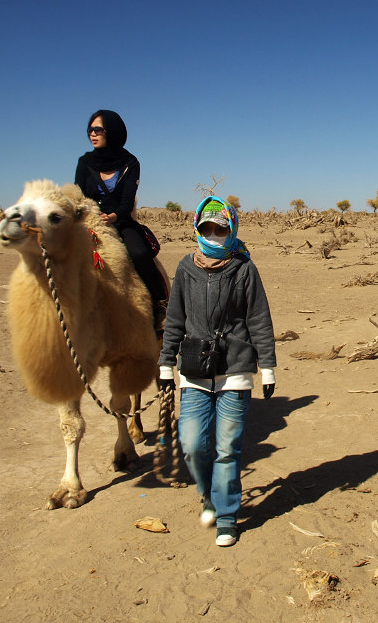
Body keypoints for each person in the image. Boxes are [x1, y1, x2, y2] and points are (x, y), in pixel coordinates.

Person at [157, 196, 277, 547]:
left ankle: (226, 516)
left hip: (236, 369)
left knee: (228, 448)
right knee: (193, 445)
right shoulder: (185, 268)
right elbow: (175, 319)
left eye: (221, 229)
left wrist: (267, 366)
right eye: (207, 228)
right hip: (194, 369)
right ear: (197, 229)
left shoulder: (244, 269)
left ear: (231, 229)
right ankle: (208, 492)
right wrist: (166, 362)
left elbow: (259, 319)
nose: (214, 234)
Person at [74, 110, 168, 332]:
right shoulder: (84, 162)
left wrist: (113, 216)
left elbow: (127, 202)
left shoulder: (130, 162)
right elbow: (78, 195)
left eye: (98, 130)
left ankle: (160, 303)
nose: (92, 134)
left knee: (140, 254)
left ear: (113, 132)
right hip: (89, 222)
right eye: (90, 130)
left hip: (120, 220)